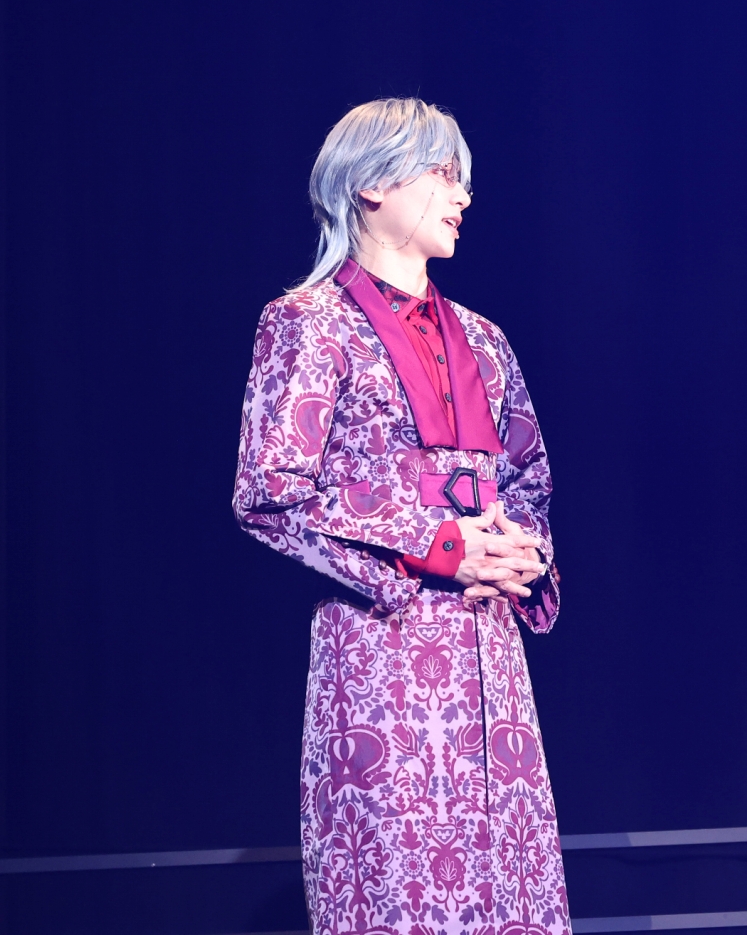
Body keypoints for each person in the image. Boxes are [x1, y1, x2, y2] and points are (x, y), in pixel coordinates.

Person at [234, 98, 568, 934]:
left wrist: (522, 555)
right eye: (444, 174)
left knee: (509, 889)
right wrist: (438, 544)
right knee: (397, 887)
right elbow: (270, 493)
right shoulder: (308, 324)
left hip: (491, 656)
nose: (463, 195)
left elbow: (528, 481)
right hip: (383, 655)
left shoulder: (485, 339)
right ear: (374, 184)